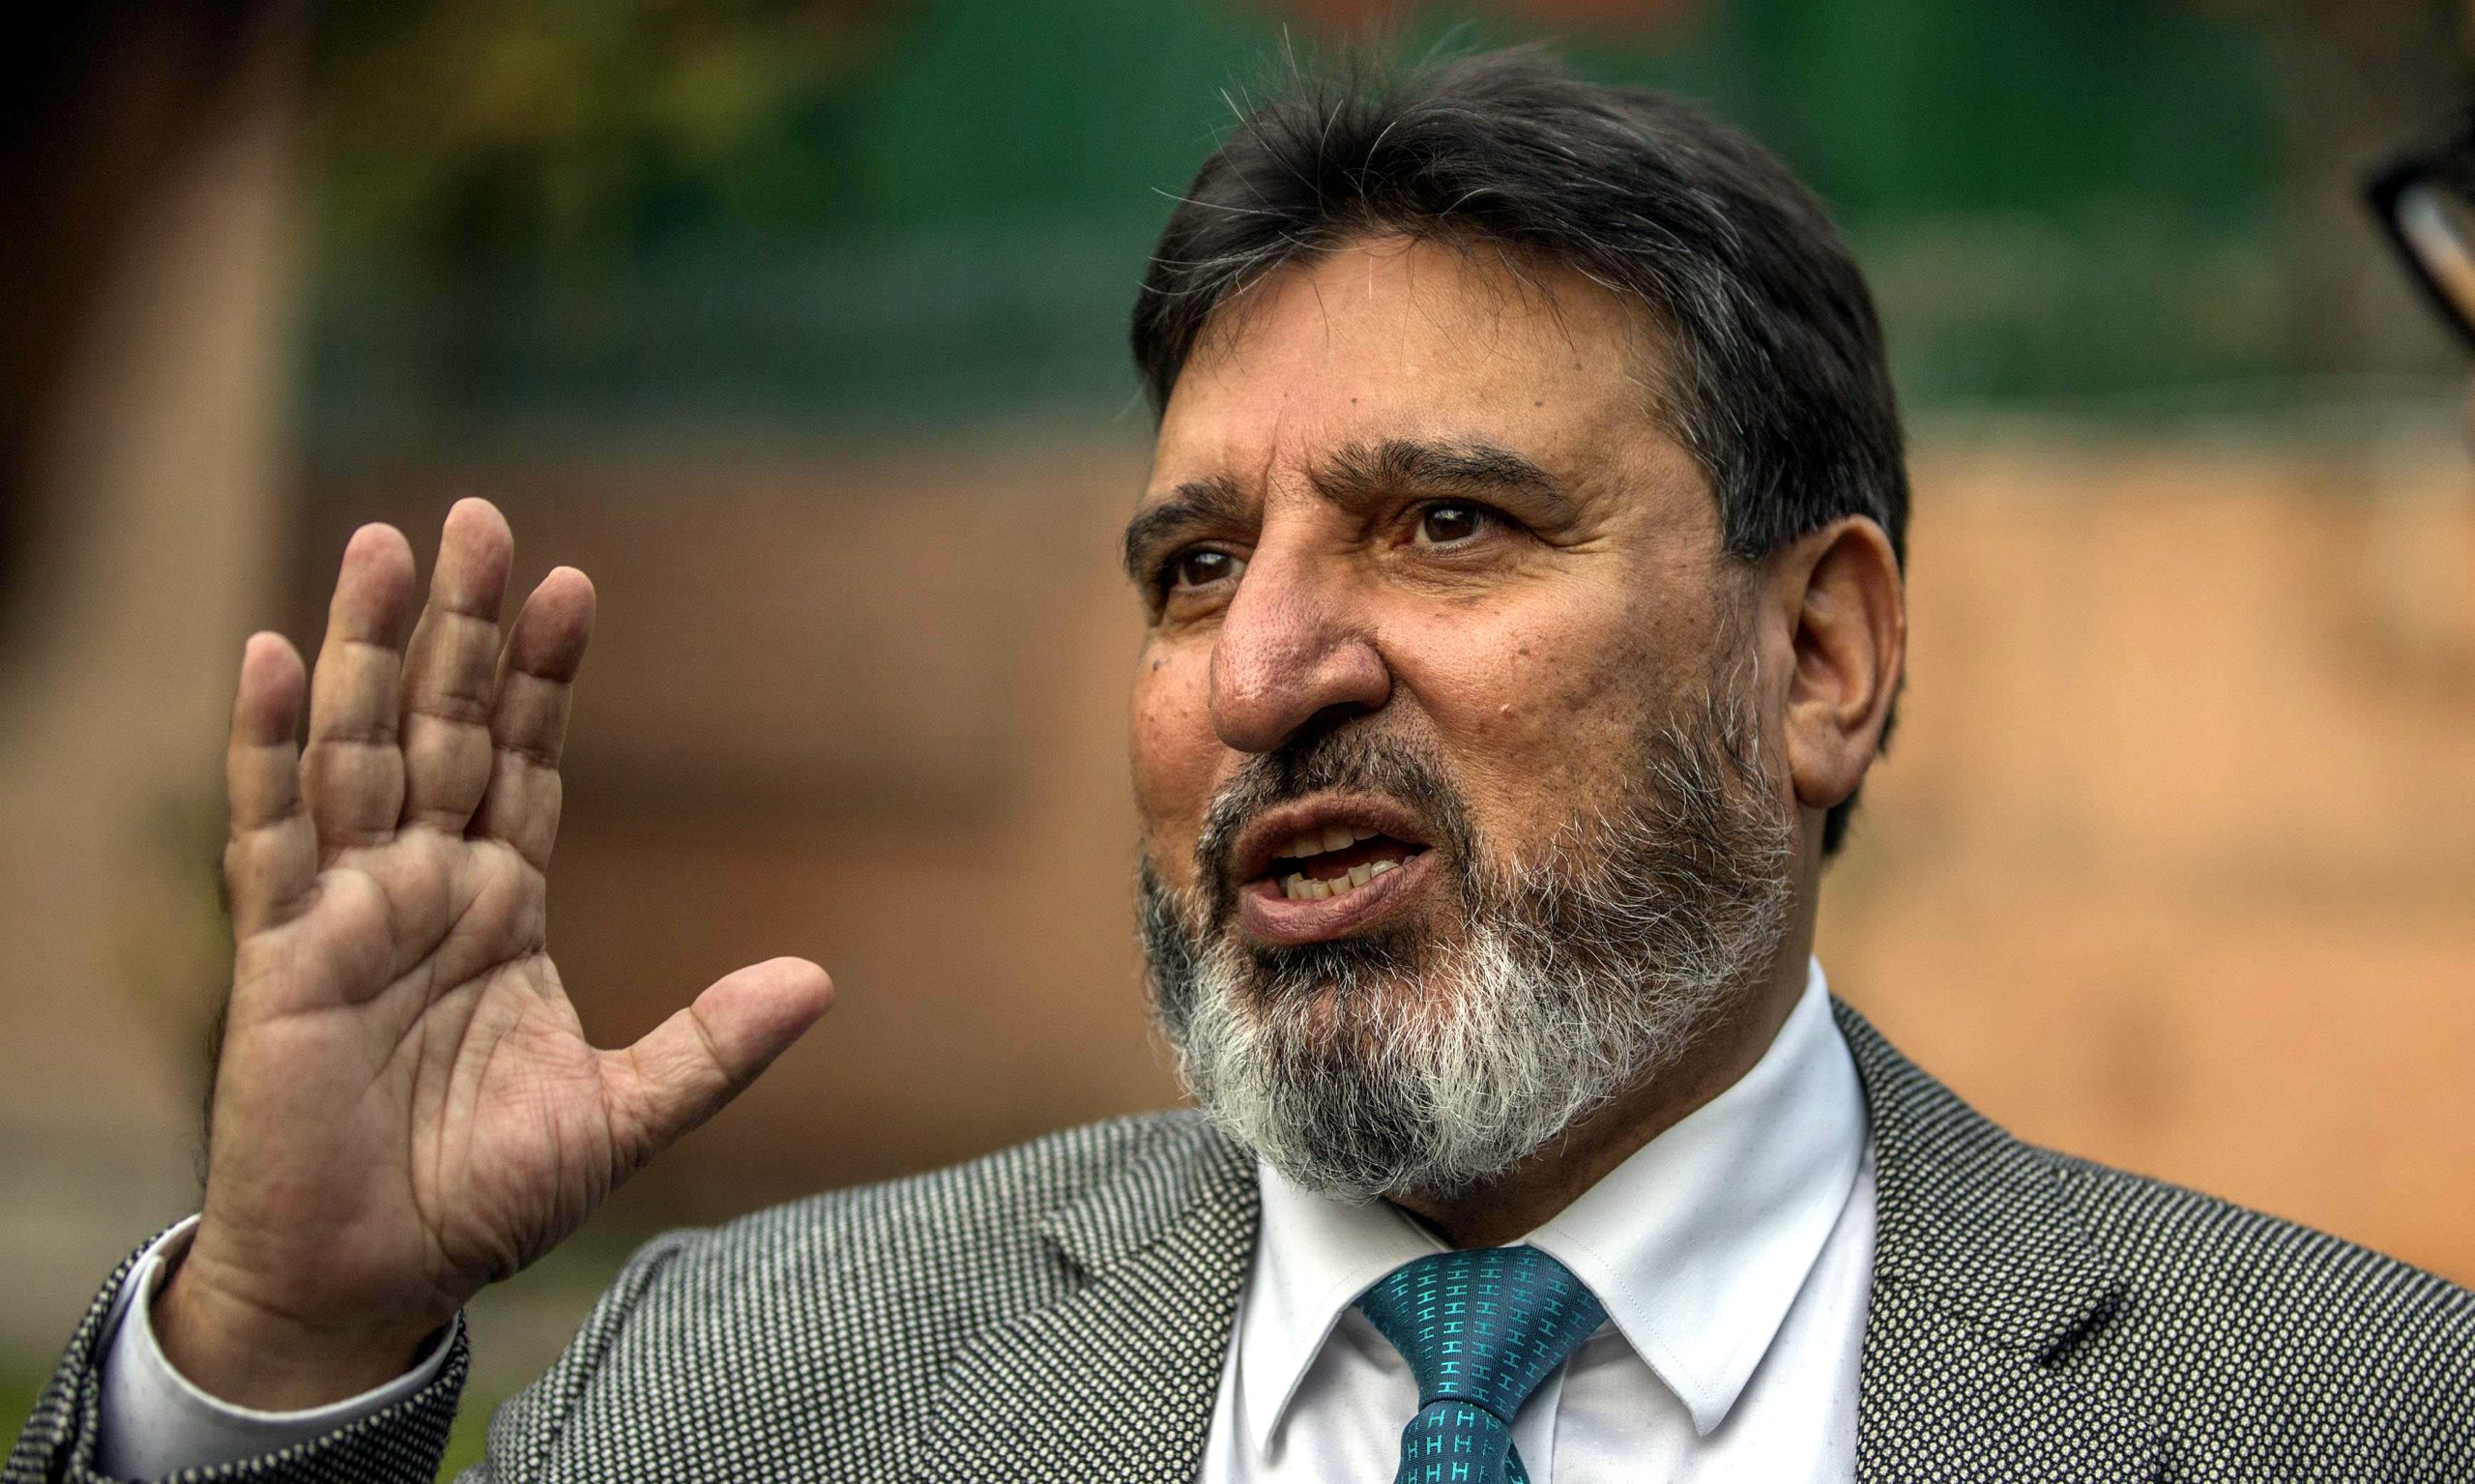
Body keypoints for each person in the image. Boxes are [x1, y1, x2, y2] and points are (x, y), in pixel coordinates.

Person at [11, 47, 2474, 1484]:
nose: (1264, 669)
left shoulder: (2350, 1421)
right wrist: (285, 1353)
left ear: (1817, 652)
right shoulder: (753, 1386)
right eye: (1190, 568)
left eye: (1445, 524)